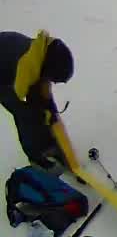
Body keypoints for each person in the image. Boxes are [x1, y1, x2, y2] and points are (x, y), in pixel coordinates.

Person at [0, 31, 73, 171]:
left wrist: (51, 116)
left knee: (45, 108)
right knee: (26, 115)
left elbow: (46, 100)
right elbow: (23, 98)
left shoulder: (46, 53)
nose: (53, 83)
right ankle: (36, 158)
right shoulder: (25, 68)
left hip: (9, 53)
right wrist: (42, 112)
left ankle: (52, 146)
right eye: (53, 79)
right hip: (3, 77)